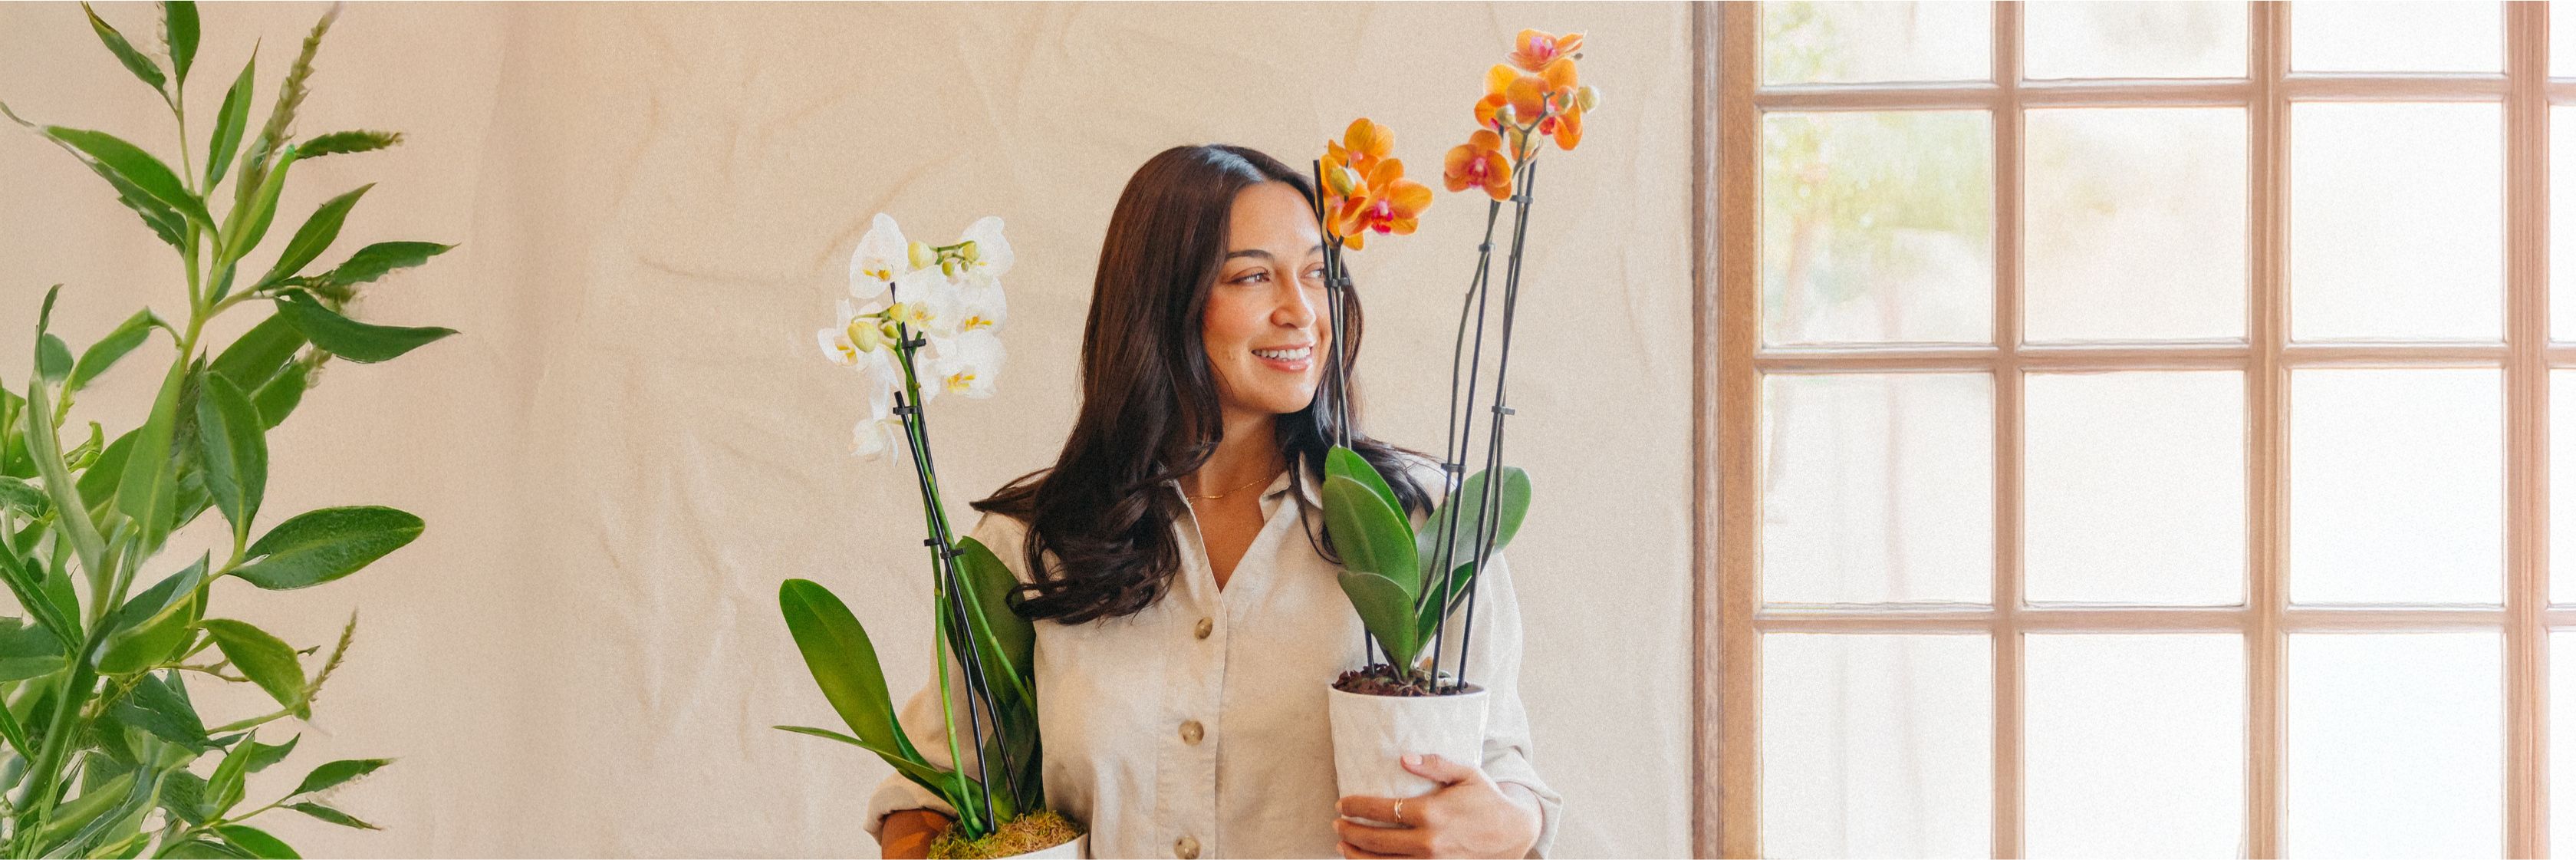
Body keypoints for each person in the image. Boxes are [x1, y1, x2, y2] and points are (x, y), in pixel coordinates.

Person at [863, 144, 1560, 859]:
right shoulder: (1031, 545)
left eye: (1318, 274)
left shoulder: (1423, 521)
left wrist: (1514, 822)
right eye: (1253, 276)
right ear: (1161, 302)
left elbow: (1503, 769)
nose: (1301, 312)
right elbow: (930, 794)